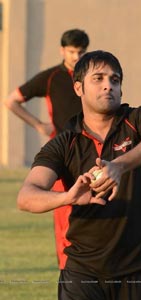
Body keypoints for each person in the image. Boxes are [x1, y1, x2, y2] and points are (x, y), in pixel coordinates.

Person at [17, 50, 141, 300]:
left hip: (137, 269)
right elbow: (26, 197)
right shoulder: (65, 142)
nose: (108, 86)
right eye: (99, 78)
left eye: (115, 80)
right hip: (81, 272)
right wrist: (68, 197)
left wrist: (119, 165)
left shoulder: (137, 120)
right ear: (78, 88)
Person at [4, 29, 90, 269]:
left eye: (81, 51)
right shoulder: (51, 77)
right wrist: (38, 124)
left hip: (93, 154)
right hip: (63, 156)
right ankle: (68, 270)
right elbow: (10, 100)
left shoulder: (92, 77)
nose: (76, 56)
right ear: (62, 50)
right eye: (72, 51)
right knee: (64, 213)